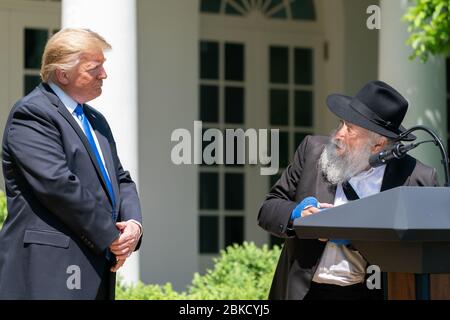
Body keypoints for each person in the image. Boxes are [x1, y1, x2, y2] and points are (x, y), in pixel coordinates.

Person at [258, 80, 439, 300]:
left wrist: (357, 237)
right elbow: (268, 208)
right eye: (342, 122)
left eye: (350, 129)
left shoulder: (417, 177)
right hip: (305, 291)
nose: (338, 134)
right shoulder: (313, 151)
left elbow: (424, 249)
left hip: (370, 293)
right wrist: (298, 216)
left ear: (378, 144)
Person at [0, 28, 142, 300]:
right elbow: (58, 185)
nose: (104, 74)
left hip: (96, 268)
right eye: (94, 67)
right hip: (49, 272)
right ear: (63, 74)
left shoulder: (95, 120)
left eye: (103, 65)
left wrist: (134, 225)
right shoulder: (32, 114)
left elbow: (120, 179)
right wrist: (112, 236)